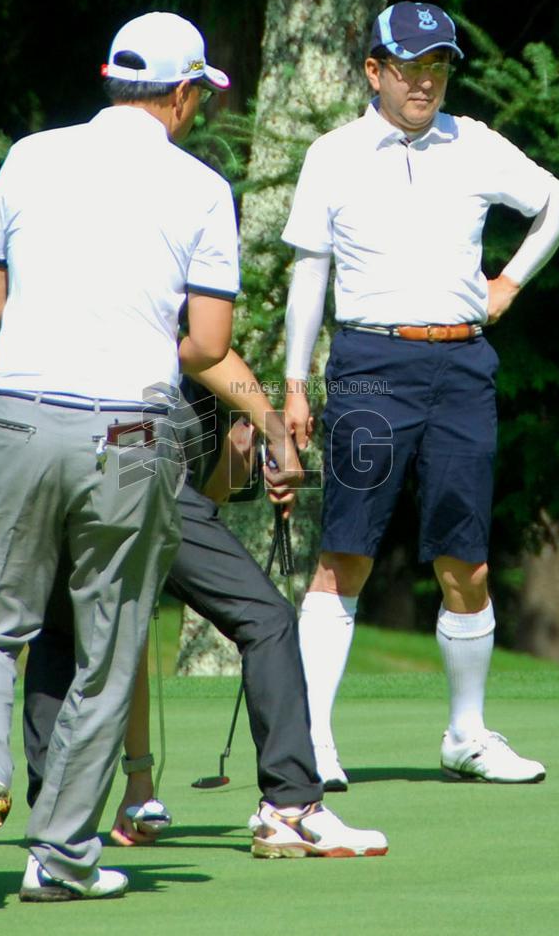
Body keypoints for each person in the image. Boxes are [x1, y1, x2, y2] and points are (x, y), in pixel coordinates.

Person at [0, 11, 239, 903]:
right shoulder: (203, 189)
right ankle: (62, 857)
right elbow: (210, 339)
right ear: (182, 95)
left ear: (114, 79)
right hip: (133, 432)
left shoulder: (31, 154)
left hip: (19, 416)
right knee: (110, 648)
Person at [281, 1, 559, 789]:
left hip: (461, 366)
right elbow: (309, 270)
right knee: (346, 553)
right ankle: (310, 742)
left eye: (438, 66)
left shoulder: (472, 143)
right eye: (410, 67)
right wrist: (292, 380)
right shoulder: (334, 154)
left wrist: (510, 282)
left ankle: (466, 734)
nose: (426, 81)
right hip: (370, 364)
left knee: (467, 562)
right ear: (374, 71)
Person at [22, 347, 388, 860]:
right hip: (132, 444)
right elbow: (202, 345)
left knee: (64, 628)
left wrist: (140, 782)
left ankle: (52, 819)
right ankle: (292, 808)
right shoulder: (171, 291)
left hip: (42, 443)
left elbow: (192, 519)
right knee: (267, 618)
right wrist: (279, 436)